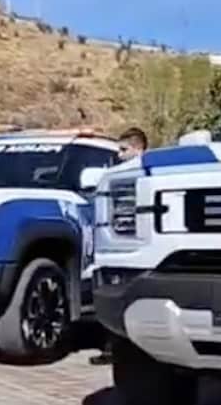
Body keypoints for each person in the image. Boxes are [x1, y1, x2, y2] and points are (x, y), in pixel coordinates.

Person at [89, 127, 148, 366]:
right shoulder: (117, 176)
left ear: (139, 148)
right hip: (117, 243)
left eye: (124, 150)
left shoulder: (150, 173)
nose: (120, 155)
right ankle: (114, 349)